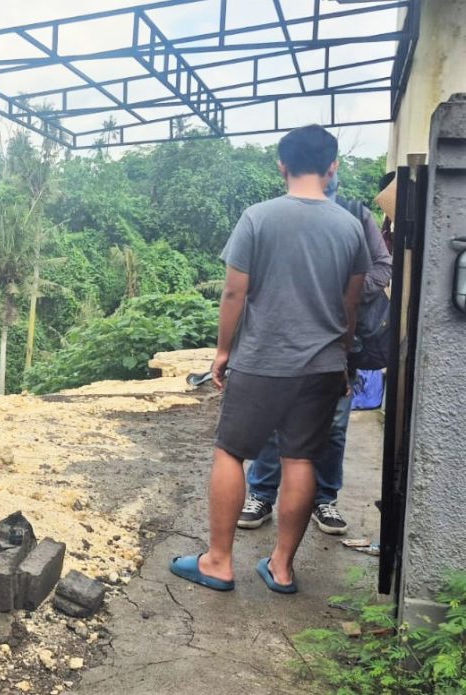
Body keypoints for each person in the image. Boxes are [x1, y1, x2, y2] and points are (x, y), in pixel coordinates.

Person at [169, 125, 370, 594]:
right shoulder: (349, 226)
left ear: (281, 165)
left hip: (262, 360)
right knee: (301, 459)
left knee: (231, 451)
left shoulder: (258, 218)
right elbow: (352, 305)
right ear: (332, 165)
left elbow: (235, 290)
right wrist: (341, 357)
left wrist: (223, 352)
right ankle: (281, 567)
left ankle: (218, 561)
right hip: (322, 364)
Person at [238, 172, 392, 535]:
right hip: (281, 339)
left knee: (334, 427)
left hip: (339, 343)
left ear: (332, 169)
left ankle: (325, 500)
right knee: (273, 424)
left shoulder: (356, 215)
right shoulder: (277, 216)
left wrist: (344, 294)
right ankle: (261, 495)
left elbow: (382, 268)